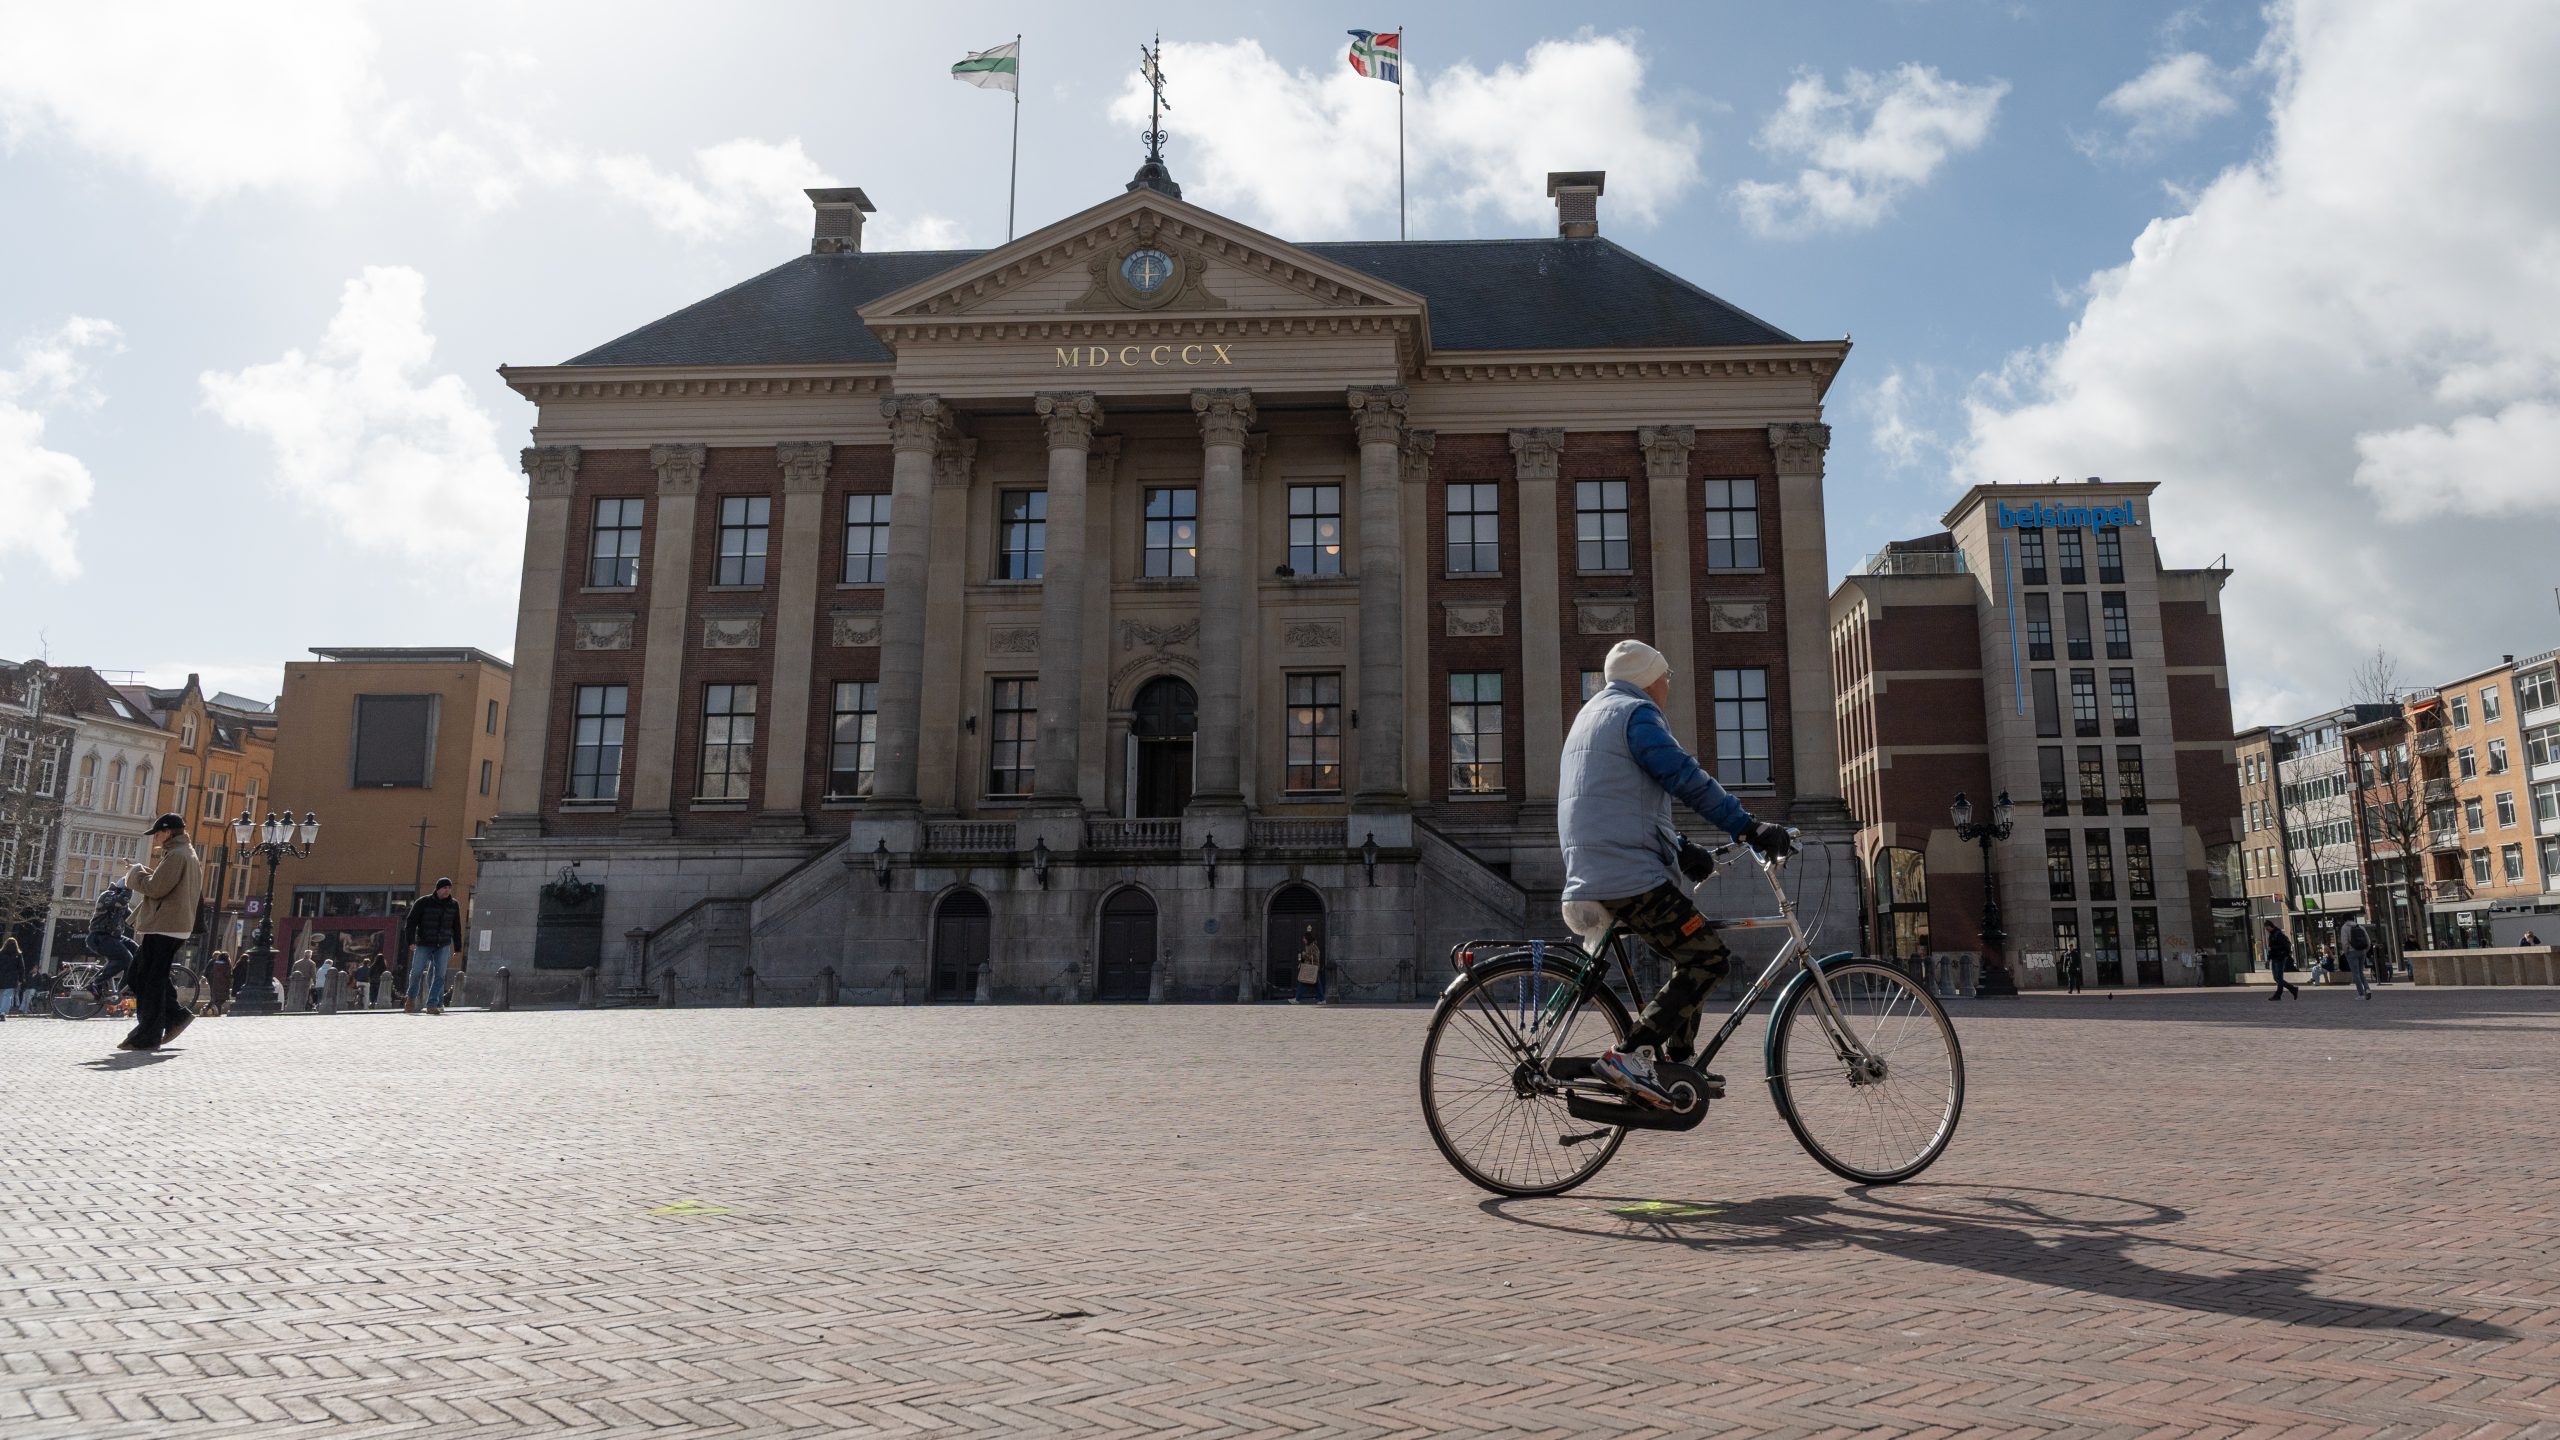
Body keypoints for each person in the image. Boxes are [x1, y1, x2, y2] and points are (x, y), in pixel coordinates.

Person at [1562, 639, 1793, 1109]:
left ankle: (1678, 1063)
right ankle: (1630, 1055)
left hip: (1598, 865)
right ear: (1651, 678)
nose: (1669, 686)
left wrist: (1685, 849)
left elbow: (1620, 802)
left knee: (1691, 944)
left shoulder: (1593, 715)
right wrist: (1749, 827)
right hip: (1627, 874)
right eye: (1667, 677)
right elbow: (1685, 778)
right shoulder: (1637, 714)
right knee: (1707, 959)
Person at [120, 813, 203, 1051]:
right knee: (142, 975)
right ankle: (175, 1017)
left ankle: (148, 1034)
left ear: (168, 832)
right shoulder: (183, 853)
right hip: (172, 924)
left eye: (158, 833)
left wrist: (134, 874)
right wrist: (142, 871)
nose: (156, 837)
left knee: (148, 978)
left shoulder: (177, 855)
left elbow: (156, 888)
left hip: (166, 925)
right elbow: (166, 882)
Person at [403, 877, 464, 1015]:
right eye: (444, 888)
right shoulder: (423, 902)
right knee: (417, 972)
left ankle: (432, 1004)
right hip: (424, 942)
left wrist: (458, 946)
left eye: (449, 888)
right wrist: (410, 941)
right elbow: (411, 922)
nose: (447, 891)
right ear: (437, 889)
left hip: (442, 943)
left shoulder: (453, 904)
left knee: (440, 975)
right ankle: (411, 998)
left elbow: (456, 926)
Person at [2341, 918, 2376, 1000]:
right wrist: (2365, 950)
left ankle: (2361, 994)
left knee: (2355, 973)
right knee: (2360, 972)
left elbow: (2345, 942)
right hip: (2362, 951)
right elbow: (2368, 940)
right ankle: (2367, 989)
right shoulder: (2360, 926)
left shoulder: (2345, 928)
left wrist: (2346, 952)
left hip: (2352, 952)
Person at [2264, 921, 2300, 1000]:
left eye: (2267, 928)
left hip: (2280, 958)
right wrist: (2268, 959)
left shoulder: (2278, 934)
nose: (2266, 930)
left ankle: (2278, 995)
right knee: (2276, 978)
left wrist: (2277, 951)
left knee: (2279, 978)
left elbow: (2283, 947)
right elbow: (2270, 949)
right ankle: (2293, 989)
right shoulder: (2271, 935)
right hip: (2274, 958)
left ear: (2270, 926)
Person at [1293, 926, 1324, 1003]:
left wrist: (1304, 955)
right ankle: (1322, 999)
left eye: (1304, 938)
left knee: (1303, 982)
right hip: (1309, 967)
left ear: (1307, 938)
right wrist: (1301, 963)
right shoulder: (1307, 946)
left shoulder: (1313, 946)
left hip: (1312, 967)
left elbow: (1315, 957)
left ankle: (1297, 999)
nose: (1303, 940)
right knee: (1316, 985)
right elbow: (1307, 957)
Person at [0, 936, 22, 1021]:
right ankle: (3, 1013)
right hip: (11, 978)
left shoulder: (1, 953)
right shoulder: (18, 955)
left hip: (1, 976)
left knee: (1, 995)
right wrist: (21, 979)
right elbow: (21, 967)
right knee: (7, 995)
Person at [205, 950, 232, 1015]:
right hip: (223, 984)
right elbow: (227, 974)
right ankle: (211, 1008)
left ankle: (215, 1011)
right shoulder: (226, 964)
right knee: (222, 999)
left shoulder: (215, 963)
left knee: (216, 998)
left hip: (215, 983)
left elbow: (209, 972)